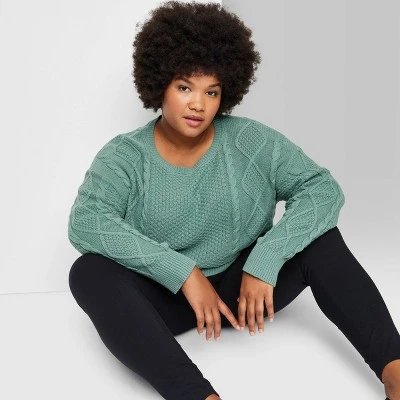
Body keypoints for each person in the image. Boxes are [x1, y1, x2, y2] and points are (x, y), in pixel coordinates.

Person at [67, 2, 400, 399]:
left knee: (322, 241)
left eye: (211, 91)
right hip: (167, 300)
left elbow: (321, 189)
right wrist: (184, 273)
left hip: (244, 291)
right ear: (159, 85)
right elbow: (86, 221)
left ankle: (395, 372)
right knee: (87, 272)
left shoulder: (249, 140)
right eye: (184, 88)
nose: (198, 104)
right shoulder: (125, 156)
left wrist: (266, 259)